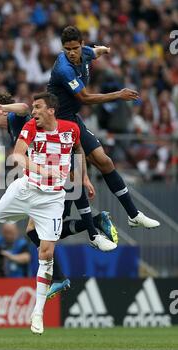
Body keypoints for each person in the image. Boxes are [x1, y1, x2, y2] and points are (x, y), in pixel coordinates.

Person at [0, 92, 103, 334]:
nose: (33, 112)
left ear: (51, 110)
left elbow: (77, 150)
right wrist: (39, 169)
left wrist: (84, 176)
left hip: (52, 199)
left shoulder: (71, 129)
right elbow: (17, 155)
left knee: (47, 252)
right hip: (25, 189)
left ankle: (38, 312)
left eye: (38, 107)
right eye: (33, 108)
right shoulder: (31, 126)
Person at [0, 91, 117, 299]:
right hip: (45, 181)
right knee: (35, 232)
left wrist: (5, 108)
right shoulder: (15, 128)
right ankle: (92, 225)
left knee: (36, 232)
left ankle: (90, 231)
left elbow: (22, 108)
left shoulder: (16, 118)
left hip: (55, 178)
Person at [47, 25, 160, 237]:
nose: (71, 53)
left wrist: (106, 49)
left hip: (73, 120)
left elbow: (95, 51)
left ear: (81, 45)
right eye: (67, 49)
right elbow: (85, 98)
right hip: (57, 125)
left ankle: (133, 215)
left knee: (105, 162)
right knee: (75, 179)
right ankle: (91, 232)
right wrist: (118, 94)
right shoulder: (64, 69)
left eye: (74, 48)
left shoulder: (85, 53)